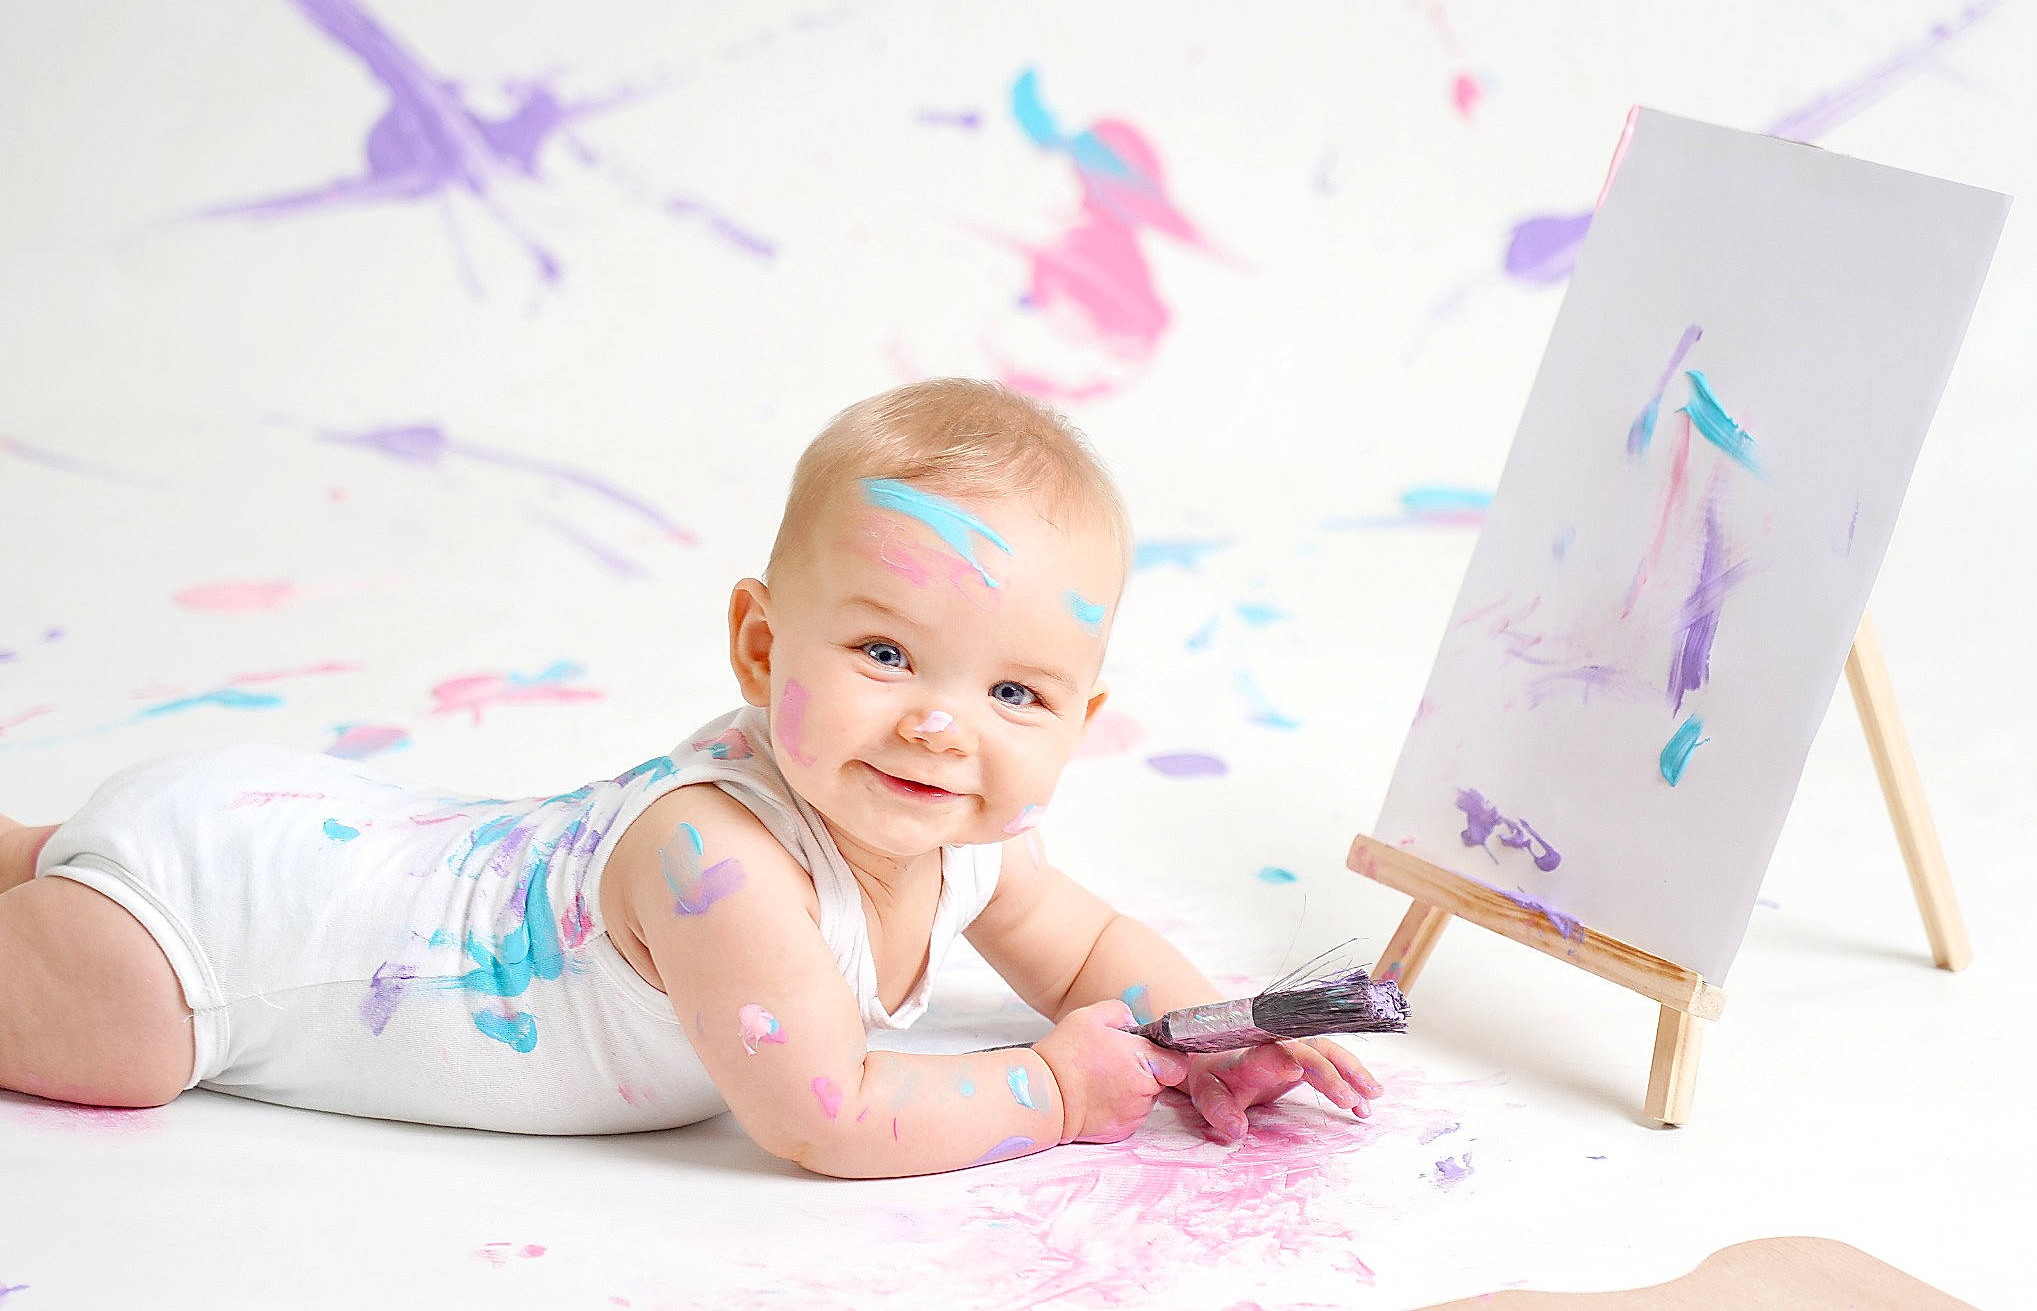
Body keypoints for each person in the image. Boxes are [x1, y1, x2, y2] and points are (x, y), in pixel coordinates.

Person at [0, 378, 1381, 1177]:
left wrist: (1210, 1028)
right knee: (117, 1043)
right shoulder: (723, 862)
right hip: (212, 941)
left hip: (280, 826)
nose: (941, 728)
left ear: (1082, 719)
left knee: (65, 860)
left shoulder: (965, 842)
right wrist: (1057, 1091)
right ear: (760, 644)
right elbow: (825, 1111)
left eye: (1013, 691)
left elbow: (1082, 945)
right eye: (887, 651)